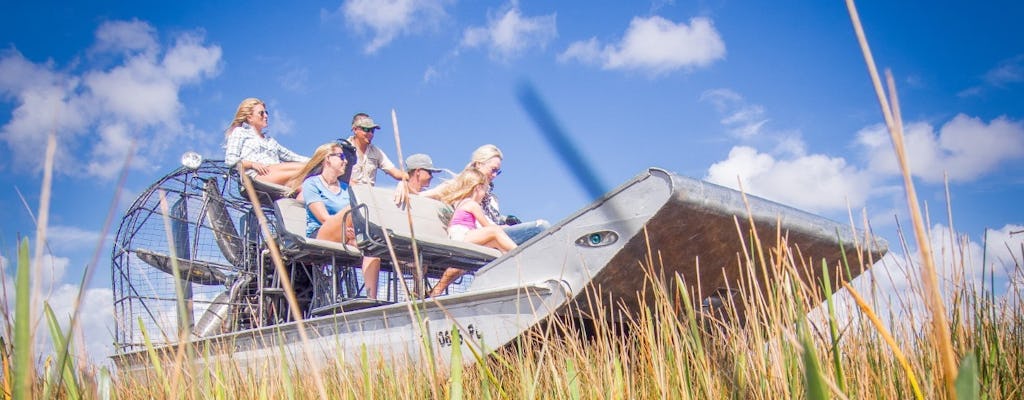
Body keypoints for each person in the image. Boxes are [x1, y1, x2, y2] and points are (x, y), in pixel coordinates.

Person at [417, 144, 550, 245]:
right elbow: (422, 195)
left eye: (498, 172)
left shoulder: (491, 197)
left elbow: (494, 221)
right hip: (481, 235)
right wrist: (402, 185)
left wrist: (506, 222)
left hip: (495, 233)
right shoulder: (461, 184)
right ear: (479, 164)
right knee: (541, 228)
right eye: (493, 170)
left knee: (544, 235)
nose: (494, 175)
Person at [430, 169, 517, 297]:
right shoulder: (472, 204)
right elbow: (489, 227)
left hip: (462, 235)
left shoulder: (462, 203)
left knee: (495, 242)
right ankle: (519, 253)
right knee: (495, 232)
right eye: (484, 190)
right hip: (462, 236)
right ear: (477, 188)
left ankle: (513, 264)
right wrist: (504, 227)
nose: (484, 195)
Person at [224, 98, 309, 186]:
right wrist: (252, 164)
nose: (266, 116)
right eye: (261, 113)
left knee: (307, 186)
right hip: (257, 176)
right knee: (304, 168)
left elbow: (292, 156)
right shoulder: (240, 132)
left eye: (266, 113)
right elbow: (230, 160)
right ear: (249, 118)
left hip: (276, 175)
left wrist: (317, 159)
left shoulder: (270, 141)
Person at [346, 113, 408, 185]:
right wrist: (348, 182)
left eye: (372, 130)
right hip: (347, 192)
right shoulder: (343, 148)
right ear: (355, 129)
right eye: (366, 129)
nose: (370, 134)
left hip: (368, 193)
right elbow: (334, 172)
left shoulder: (376, 152)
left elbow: (395, 172)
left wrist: (413, 177)